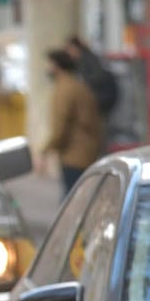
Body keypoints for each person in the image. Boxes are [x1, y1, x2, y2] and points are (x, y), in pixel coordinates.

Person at [42, 47, 103, 195]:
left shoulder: (65, 89)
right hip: (85, 152)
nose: (47, 68)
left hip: (74, 155)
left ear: (57, 66)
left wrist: (46, 149)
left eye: (49, 64)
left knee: (72, 201)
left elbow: (61, 123)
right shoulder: (78, 86)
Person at [65, 35, 119, 119]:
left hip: (99, 101)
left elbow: (97, 78)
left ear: (76, 48)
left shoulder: (87, 60)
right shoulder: (81, 62)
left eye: (69, 49)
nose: (68, 53)